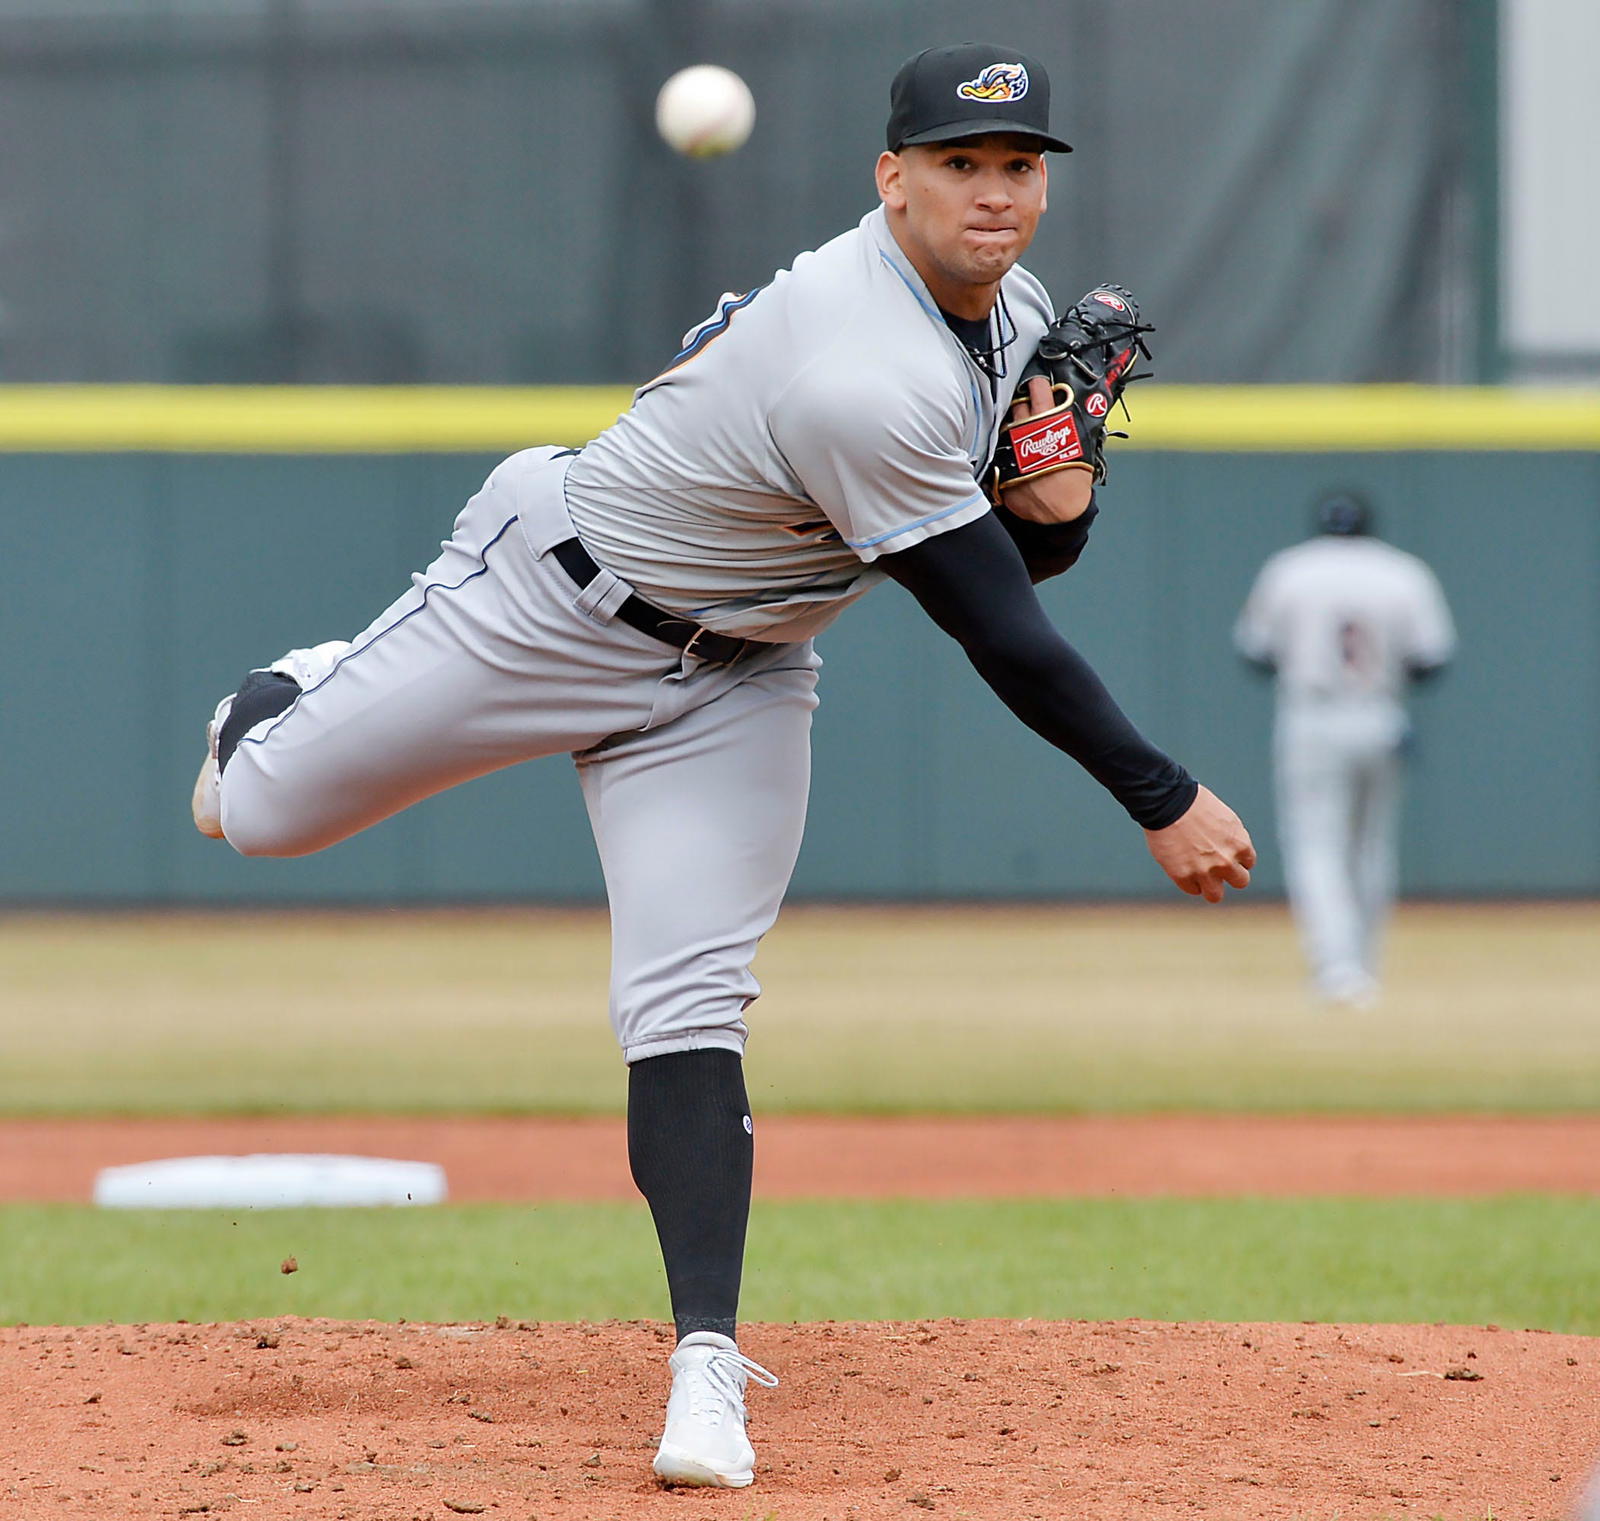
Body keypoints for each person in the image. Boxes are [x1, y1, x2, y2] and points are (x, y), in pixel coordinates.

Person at [191, 42, 1255, 1489]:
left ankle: (705, 1365)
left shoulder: (1003, 316)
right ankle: (296, 687)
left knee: (689, 1000)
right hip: (548, 599)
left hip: (736, 676)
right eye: (959, 165)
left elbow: (1029, 547)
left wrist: (1055, 469)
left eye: (1017, 166)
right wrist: (1162, 793)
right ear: (893, 180)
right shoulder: (857, 366)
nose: (995, 194)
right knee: (254, 814)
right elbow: (999, 629)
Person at [1234, 489, 1455, 1007]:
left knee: (1317, 846)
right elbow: (1431, 660)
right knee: (1372, 847)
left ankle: (1337, 970)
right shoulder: (1403, 571)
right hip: (1380, 714)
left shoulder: (1290, 569)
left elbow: (1255, 651)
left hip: (1312, 716)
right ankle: (1364, 965)